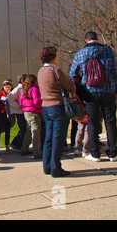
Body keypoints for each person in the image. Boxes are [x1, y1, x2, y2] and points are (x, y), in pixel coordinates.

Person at [69, 31, 117, 162]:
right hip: (108, 90)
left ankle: (95, 153)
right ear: (97, 39)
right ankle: (112, 153)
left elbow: (72, 74)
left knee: (92, 122)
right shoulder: (108, 51)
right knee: (110, 121)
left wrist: (80, 87)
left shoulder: (80, 53)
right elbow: (115, 71)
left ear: (86, 40)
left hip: (89, 92)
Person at [38, 47, 76, 177]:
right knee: (58, 138)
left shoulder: (41, 71)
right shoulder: (55, 70)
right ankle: (56, 168)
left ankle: (47, 166)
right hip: (57, 107)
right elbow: (69, 85)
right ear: (52, 56)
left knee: (48, 137)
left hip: (45, 108)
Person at [19, 75, 43, 159]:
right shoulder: (34, 89)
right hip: (34, 111)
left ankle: (24, 149)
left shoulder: (24, 90)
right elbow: (37, 101)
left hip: (26, 112)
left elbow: (20, 102)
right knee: (36, 131)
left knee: (28, 131)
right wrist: (42, 105)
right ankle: (37, 151)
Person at [8, 74, 28, 151]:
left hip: (22, 112)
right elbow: (10, 99)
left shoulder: (23, 88)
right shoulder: (18, 89)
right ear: (22, 81)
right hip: (19, 112)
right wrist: (19, 105)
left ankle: (14, 143)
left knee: (23, 129)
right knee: (23, 129)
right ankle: (18, 146)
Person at [0, 80, 14, 153]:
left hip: (8, 114)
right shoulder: (1, 93)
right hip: (1, 114)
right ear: (3, 87)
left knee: (7, 130)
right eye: (6, 87)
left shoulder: (12, 93)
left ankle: (7, 144)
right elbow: (1, 98)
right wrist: (7, 97)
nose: (7, 88)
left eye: (9, 87)